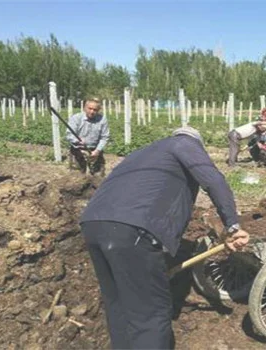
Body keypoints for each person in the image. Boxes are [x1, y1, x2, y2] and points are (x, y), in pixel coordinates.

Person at [80, 126, 250, 349]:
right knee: (151, 314)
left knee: (118, 305)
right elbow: (214, 180)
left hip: (93, 223)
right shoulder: (185, 144)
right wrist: (233, 226)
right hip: (134, 229)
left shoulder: (144, 152)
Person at [65, 98, 110, 176]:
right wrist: (77, 140)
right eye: (90, 108)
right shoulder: (76, 118)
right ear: (84, 108)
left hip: (95, 150)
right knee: (77, 177)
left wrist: (97, 151)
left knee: (98, 177)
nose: (92, 111)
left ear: (98, 110)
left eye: (95, 110)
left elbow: (104, 137)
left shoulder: (102, 119)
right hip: (78, 150)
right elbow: (69, 135)